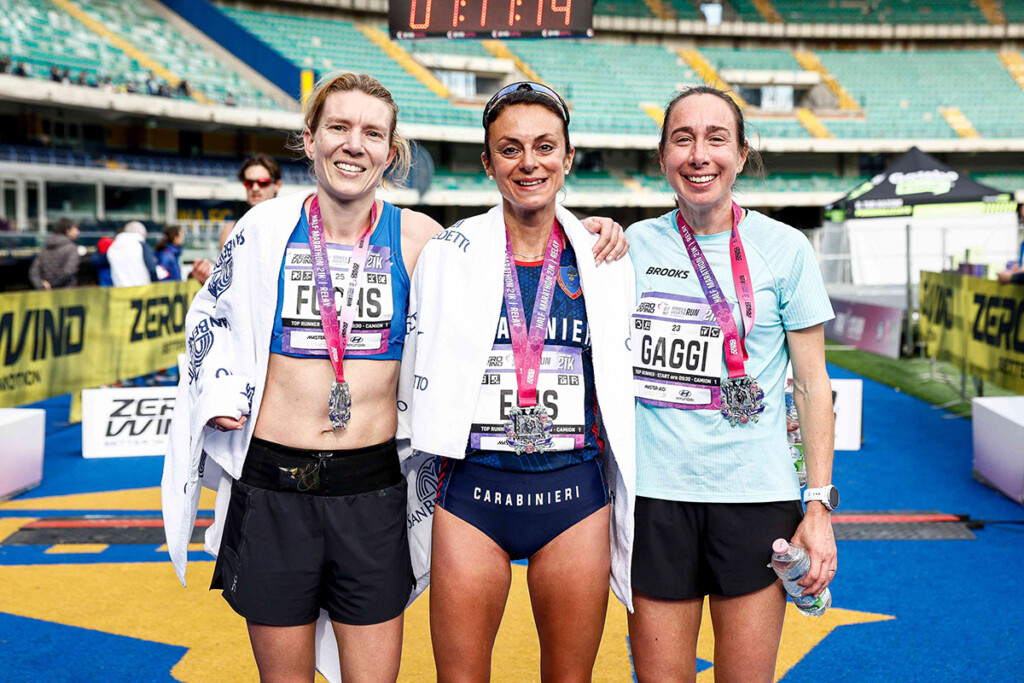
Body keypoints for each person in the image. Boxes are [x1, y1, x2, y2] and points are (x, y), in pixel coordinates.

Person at [161, 72, 628, 683]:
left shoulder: (425, 241)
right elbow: (213, 319)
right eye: (338, 128)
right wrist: (221, 388)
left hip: (373, 488)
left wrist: (591, 227)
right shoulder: (260, 230)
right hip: (273, 483)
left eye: (372, 133)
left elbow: (521, 252)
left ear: (391, 150)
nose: (354, 144)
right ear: (309, 138)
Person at [398, 82, 636, 681]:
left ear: (568, 157)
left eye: (544, 146)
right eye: (510, 149)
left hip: (573, 498)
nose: (529, 162)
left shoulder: (605, 260)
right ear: (487, 162)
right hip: (471, 496)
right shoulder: (446, 256)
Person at [625, 86, 838, 682]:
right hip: (654, 499)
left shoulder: (786, 249)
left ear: (742, 155)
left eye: (717, 139)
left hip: (754, 499)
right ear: (662, 155)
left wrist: (818, 507)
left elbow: (813, 385)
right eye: (682, 139)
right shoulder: (628, 247)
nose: (700, 155)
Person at [218, 154, 284, 250]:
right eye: (249, 183)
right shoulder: (230, 231)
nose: (255, 188)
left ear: (277, 185)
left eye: (263, 182)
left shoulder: (292, 225)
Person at [29, 217, 81, 290]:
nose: (77, 231)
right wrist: (53, 285)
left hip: (47, 295)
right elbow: (69, 271)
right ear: (68, 231)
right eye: (75, 228)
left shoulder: (44, 248)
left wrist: (42, 286)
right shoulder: (72, 248)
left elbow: (34, 272)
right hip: (67, 294)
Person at [107, 220, 158, 286]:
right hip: (142, 291)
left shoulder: (112, 247)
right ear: (142, 234)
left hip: (120, 292)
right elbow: (152, 270)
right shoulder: (142, 246)